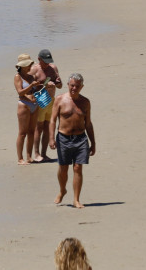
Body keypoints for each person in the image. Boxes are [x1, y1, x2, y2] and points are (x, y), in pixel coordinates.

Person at [49, 73, 95, 208]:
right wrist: (51, 138)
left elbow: (88, 123)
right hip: (63, 138)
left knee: (78, 168)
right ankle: (62, 190)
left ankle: (76, 199)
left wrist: (93, 142)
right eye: (72, 85)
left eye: (77, 86)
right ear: (68, 85)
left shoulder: (85, 102)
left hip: (81, 138)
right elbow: (52, 120)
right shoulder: (59, 99)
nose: (74, 88)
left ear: (82, 87)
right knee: (63, 168)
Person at [31, 49, 63, 163]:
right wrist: (44, 85)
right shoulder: (34, 69)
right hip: (40, 99)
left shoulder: (53, 68)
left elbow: (60, 85)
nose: (47, 64)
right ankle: (36, 153)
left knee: (47, 127)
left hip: (51, 100)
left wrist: (58, 82)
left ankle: (44, 154)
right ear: (39, 59)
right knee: (38, 127)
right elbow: (30, 87)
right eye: (45, 61)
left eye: (48, 61)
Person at [14, 54, 42, 165]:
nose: (31, 66)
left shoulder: (31, 76)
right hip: (24, 104)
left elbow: (35, 90)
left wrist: (42, 86)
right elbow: (20, 92)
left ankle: (29, 156)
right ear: (24, 65)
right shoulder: (18, 77)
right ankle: (20, 159)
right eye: (29, 64)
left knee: (31, 131)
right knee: (22, 133)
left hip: (34, 104)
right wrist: (31, 86)